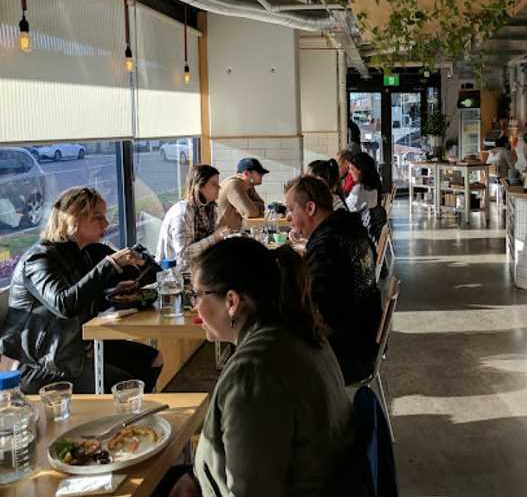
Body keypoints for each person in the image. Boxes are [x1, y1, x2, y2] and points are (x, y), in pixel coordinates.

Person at [167, 238, 353, 497]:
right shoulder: (301, 330)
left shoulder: (254, 375)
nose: (194, 307)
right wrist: (197, 476)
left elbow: (251, 489)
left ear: (231, 302)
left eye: (197, 295)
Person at [0, 186, 162, 394]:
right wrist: (108, 265)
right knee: (127, 386)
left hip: (74, 348)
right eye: (97, 218)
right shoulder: (39, 260)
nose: (106, 223)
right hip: (39, 364)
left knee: (152, 359)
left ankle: (132, 418)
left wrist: (112, 293)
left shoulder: (82, 253)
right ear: (73, 220)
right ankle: (126, 418)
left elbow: (84, 300)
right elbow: (65, 305)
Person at [285, 176, 382, 384]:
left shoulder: (326, 246)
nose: (288, 218)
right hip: (364, 340)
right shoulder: (351, 228)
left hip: (344, 356)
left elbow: (316, 309)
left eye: (291, 210)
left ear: (310, 208)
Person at [157, 165, 231, 272]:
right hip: (175, 275)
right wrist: (215, 237)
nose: (219, 188)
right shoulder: (182, 213)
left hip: (201, 268)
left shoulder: (209, 208)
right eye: (214, 184)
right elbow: (182, 256)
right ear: (200, 187)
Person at [216, 157, 269, 231]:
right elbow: (251, 213)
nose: (262, 175)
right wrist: (252, 208)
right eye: (259, 172)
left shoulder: (249, 186)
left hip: (231, 232)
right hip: (219, 236)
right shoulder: (233, 185)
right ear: (247, 173)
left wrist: (248, 208)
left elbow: (262, 205)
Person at [346, 152, 382, 229]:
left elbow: (345, 209)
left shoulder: (359, 189)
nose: (349, 172)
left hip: (362, 232)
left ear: (360, 170)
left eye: (352, 168)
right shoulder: (373, 185)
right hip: (369, 229)